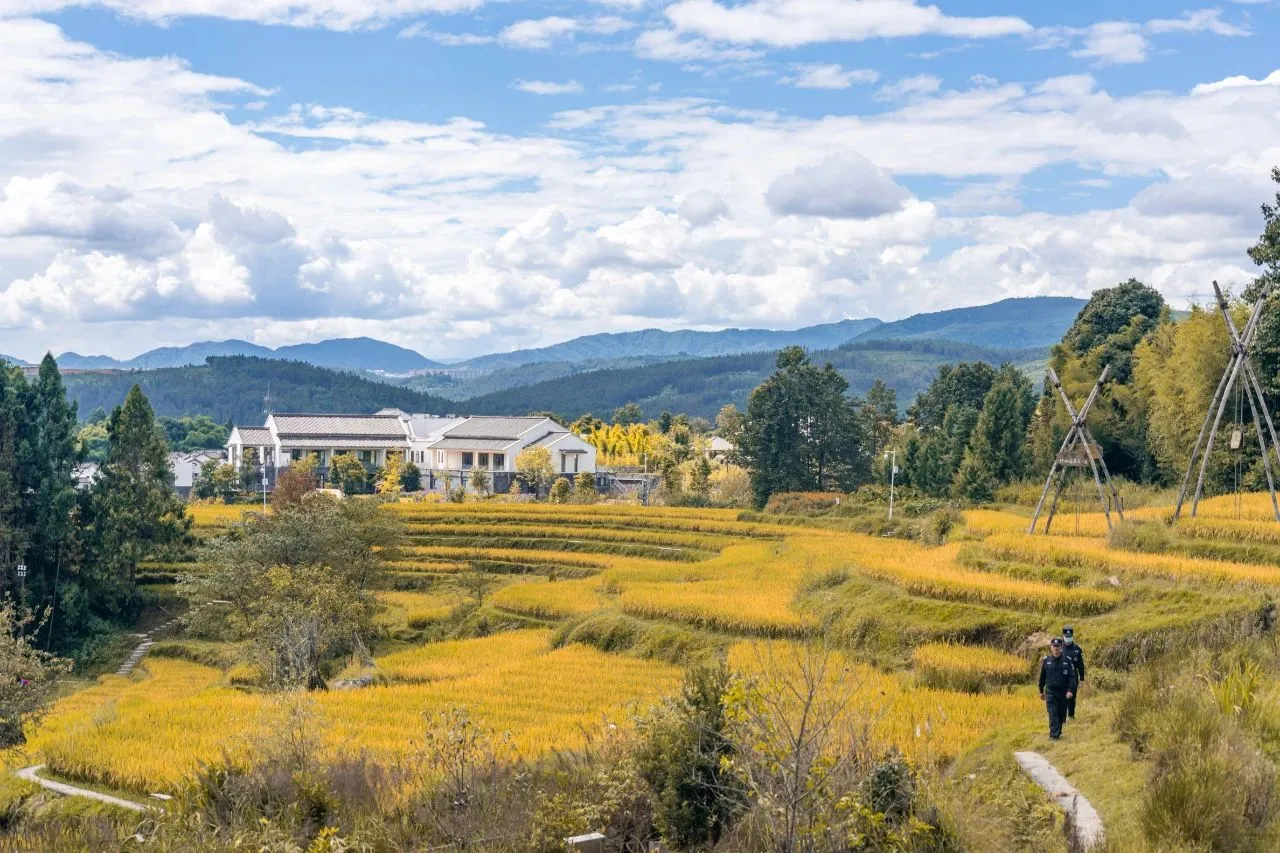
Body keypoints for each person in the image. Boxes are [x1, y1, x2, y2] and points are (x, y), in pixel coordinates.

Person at [1038, 637, 1077, 740]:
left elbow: (1072, 677)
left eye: (1058, 646)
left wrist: (1070, 690)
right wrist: (1041, 691)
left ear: (1061, 647)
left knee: (1060, 714)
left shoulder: (1067, 661)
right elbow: (1042, 677)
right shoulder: (1046, 661)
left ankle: (1058, 731)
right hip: (1050, 692)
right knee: (1052, 712)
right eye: (1054, 646)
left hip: (1063, 692)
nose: (1056, 648)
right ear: (1051, 647)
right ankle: (1053, 736)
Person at [1061, 625, 1085, 720]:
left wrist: (1082, 679)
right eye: (1066, 637)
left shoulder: (1077, 649)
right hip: (1061, 676)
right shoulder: (1059, 648)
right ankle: (1062, 716)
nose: (1068, 639)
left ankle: (1071, 715)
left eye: (1070, 637)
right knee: (1062, 697)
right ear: (1063, 636)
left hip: (1073, 677)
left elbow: (1080, 665)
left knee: (1071, 697)